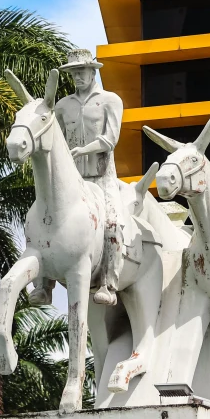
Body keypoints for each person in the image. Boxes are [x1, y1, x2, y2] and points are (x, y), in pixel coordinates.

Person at [55, 49, 124, 306]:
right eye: (73, 73)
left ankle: (109, 282)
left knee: (113, 224)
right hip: (74, 179)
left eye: (81, 72)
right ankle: (43, 284)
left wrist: (83, 150)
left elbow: (110, 139)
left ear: (93, 71)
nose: (77, 77)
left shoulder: (110, 100)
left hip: (102, 176)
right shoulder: (62, 106)